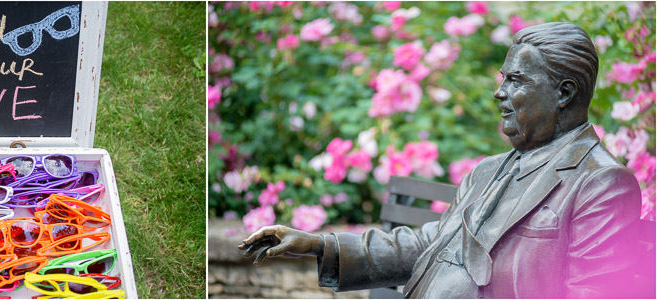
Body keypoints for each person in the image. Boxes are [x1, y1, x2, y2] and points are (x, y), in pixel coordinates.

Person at [239, 22, 644, 298]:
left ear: (564, 93)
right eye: (502, 78)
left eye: (516, 81)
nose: (498, 93)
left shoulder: (601, 183)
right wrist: (318, 244)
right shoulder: (490, 170)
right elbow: (431, 242)